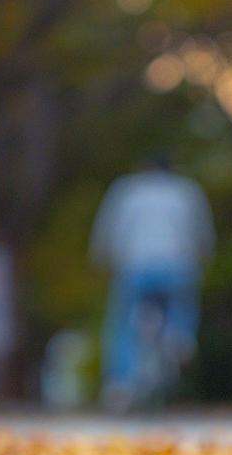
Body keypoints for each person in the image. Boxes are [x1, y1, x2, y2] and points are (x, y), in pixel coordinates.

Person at [90, 154, 215, 409]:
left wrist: (102, 260)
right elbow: (203, 236)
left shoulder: (127, 190)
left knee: (123, 323)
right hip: (178, 265)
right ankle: (180, 336)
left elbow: (106, 233)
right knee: (183, 299)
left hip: (136, 266)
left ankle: (121, 383)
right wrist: (203, 259)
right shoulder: (187, 191)